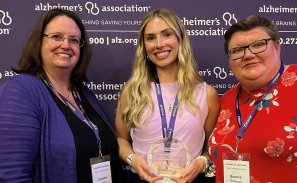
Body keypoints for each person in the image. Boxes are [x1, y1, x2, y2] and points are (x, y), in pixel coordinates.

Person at [0, 9, 120, 183]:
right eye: (56, 36)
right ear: (39, 42)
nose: (66, 45)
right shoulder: (22, 91)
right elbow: (10, 176)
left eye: (73, 40)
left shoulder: (85, 94)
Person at [208, 14, 297, 183]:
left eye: (258, 45)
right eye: (237, 50)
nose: (248, 55)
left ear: (277, 47)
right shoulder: (227, 99)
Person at [114, 9, 220, 183]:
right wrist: (132, 158)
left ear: (180, 39)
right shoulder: (131, 91)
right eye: (150, 38)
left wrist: (202, 161)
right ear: (144, 45)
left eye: (167, 34)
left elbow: (214, 146)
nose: (159, 44)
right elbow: (120, 139)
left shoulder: (206, 94)